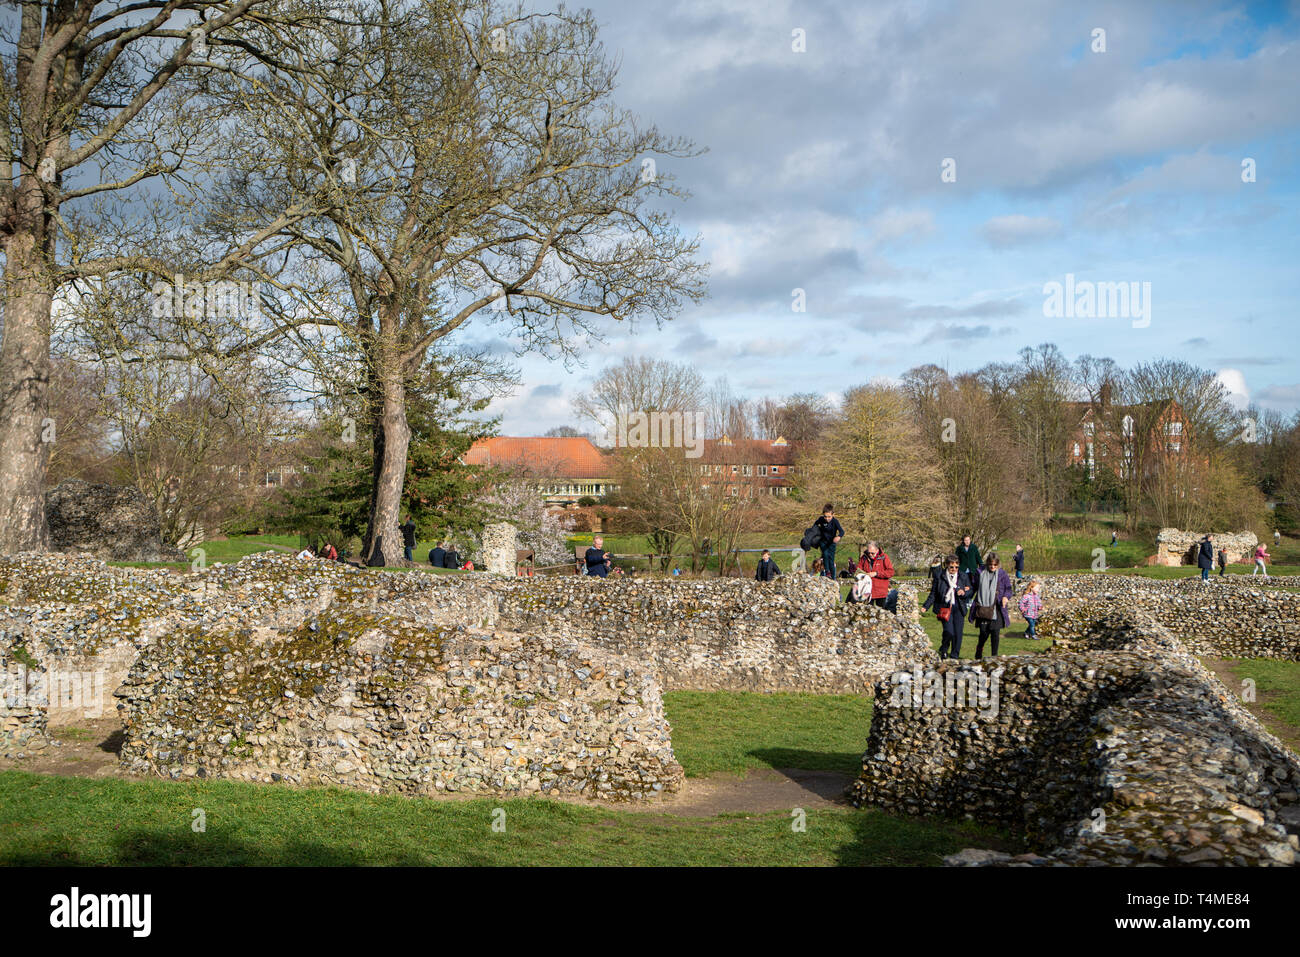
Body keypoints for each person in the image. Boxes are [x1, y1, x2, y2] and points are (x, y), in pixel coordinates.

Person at [922, 554, 971, 660]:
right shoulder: (940, 576)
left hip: (959, 607)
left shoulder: (963, 576)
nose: (954, 569)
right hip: (945, 607)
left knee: (958, 634)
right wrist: (926, 606)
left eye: (956, 567)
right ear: (947, 566)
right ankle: (944, 649)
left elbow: (969, 590)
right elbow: (934, 593)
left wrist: (963, 592)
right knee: (949, 631)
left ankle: (954, 656)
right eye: (951, 567)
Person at [970, 552, 1014, 660]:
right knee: (984, 633)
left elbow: (1008, 589)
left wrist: (1005, 597)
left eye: (995, 565)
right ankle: (979, 651)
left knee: (995, 633)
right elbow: (973, 587)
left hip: (997, 608)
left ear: (998, 564)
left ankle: (994, 657)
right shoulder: (980, 572)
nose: (993, 567)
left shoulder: (1002, 574)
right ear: (987, 563)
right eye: (990, 565)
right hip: (983, 607)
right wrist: (965, 592)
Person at [857, 541, 894, 608]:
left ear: (877, 550)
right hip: (867, 591)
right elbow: (858, 571)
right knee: (866, 613)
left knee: (882, 614)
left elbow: (890, 572)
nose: (870, 554)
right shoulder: (864, 558)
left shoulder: (884, 557)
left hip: (881, 592)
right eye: (869, 553)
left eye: (872, 553)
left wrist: (876, 573)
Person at [813, 504, 844, 580]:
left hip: (831, 543)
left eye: (829, 516)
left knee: (831, 561)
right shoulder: (821, 519)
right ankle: (827, 572)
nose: (827, 518)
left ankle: (833, 578)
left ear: (833, 514)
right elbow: (815, 525)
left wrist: (838, 537)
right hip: (823, 542)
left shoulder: (835, 522)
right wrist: (816, 531)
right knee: (825, 554)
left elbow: (842, 531)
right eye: (825, 516)